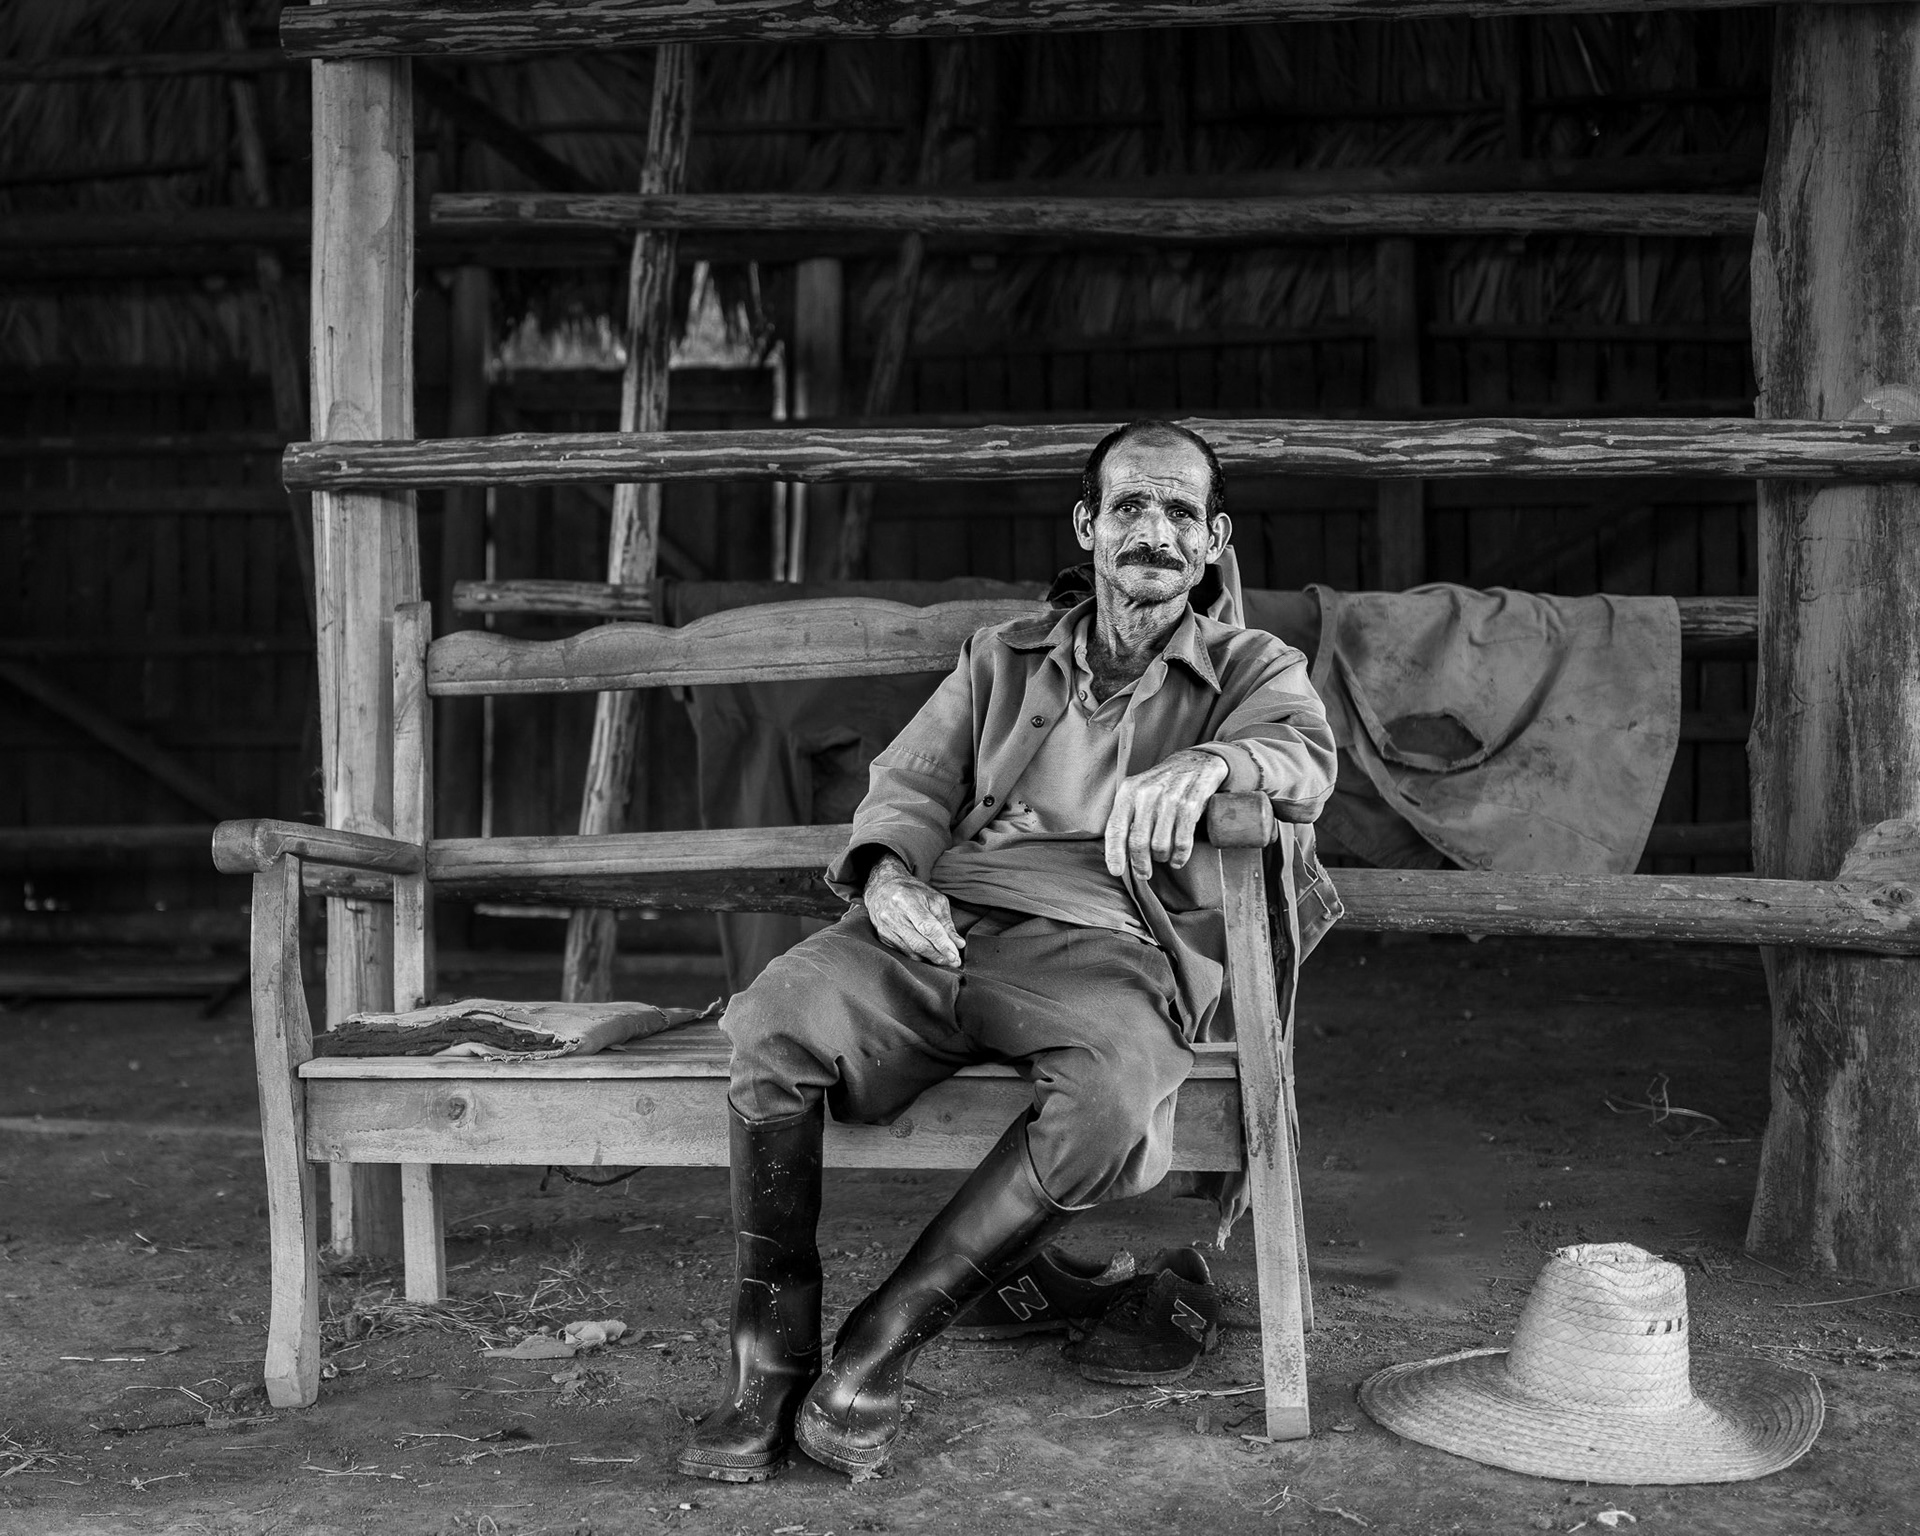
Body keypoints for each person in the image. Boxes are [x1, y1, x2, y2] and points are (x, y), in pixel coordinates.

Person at [678, 420, 1337, 1483]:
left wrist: (1215, 762)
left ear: (1213, 541)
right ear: (1089, 527)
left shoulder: (1253, 665)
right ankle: (768, 1363)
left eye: (1179, 512)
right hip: (947, 923)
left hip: (1109, 946)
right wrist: (889, 880)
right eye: (1129, 507)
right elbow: (910, 786)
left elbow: (1306, 762)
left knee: (1116, 1097)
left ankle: (877, 1345)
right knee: (770, 1018)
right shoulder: (1000, 657)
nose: (1153, 531)